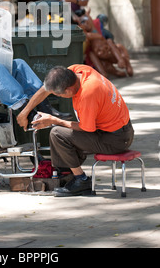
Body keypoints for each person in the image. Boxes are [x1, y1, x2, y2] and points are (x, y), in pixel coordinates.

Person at [17, 64, 134, 196]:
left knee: (57, 134)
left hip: (115, 140)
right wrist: (24, 112)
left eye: (58, 94)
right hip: (118, 130)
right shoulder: (76, 71)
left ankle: (81, 180)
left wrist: (54, 120)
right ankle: (65, 172)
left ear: (68, 90)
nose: (57, 96)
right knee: (64, 133)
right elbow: (45, 89)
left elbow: (86, 128)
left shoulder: (87, 94)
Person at [78, 13, 133, 78]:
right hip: (101, 57)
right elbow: (88, 35)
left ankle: (126, 63)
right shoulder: (86, 35)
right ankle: (113, 72)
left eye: (86, 20)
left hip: (110, 52)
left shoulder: (94, 29)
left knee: (117, 45)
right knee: (92, 54)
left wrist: (120, 59)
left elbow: (98, 35)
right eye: (83, 22)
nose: (86, 23)